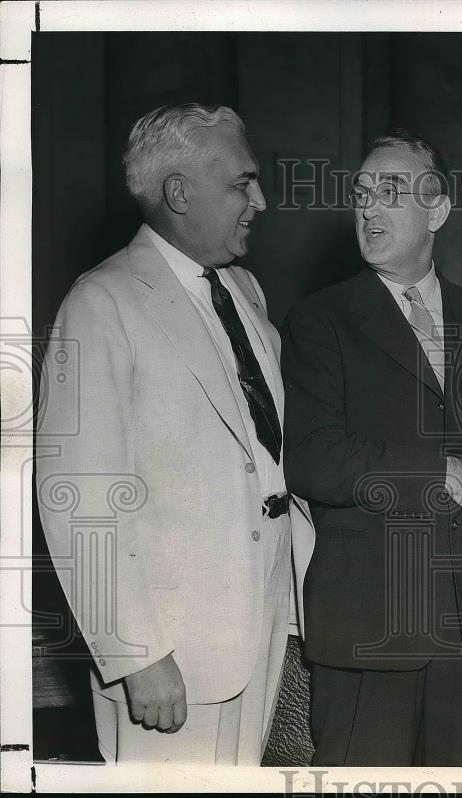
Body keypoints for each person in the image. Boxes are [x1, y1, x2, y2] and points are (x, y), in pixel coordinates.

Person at [35, 103, 314, 764]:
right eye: (242, 184)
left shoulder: (244, 291)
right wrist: (134, 652)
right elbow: (77, 491)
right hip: (171, 652)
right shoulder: (102, 301)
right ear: (179, 192)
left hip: (263, 621)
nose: (262, 201)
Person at [281, 131, 462, 766]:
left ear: (438, 211)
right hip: (369, 626)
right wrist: (442, 474)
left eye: (392, 192)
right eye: (361, 194)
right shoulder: (320, 320)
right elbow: (315, 459)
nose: (370, 208)